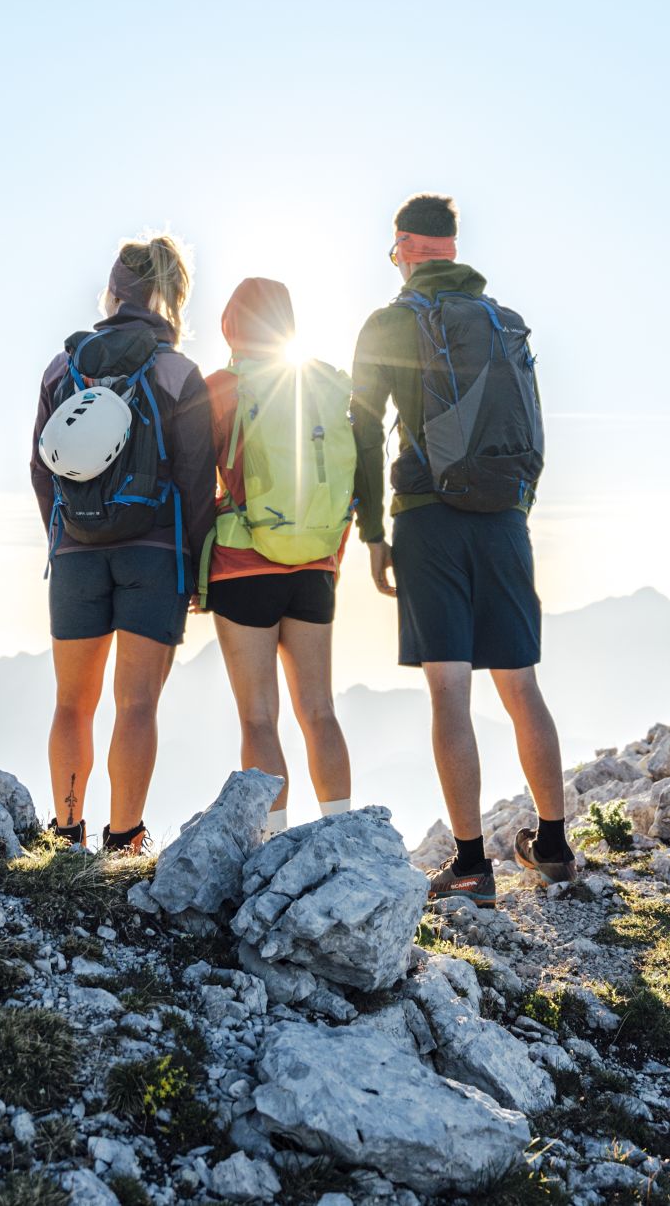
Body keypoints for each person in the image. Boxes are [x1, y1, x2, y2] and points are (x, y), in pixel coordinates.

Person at [350, 194, 570, 907]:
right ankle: (556, 844)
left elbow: (361, 427)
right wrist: (516, 511)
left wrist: (374, 532)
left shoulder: (389, 322)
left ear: (410, 249)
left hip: (427, 521)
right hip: (504, 519)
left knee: (450, 689)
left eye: (394, 251)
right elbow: (534, 427)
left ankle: (472, 866)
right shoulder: (505, 323)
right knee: (521, 685)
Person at [30, 234, 215, 856]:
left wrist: (64, 537)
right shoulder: (177, 372)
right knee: (136, 706)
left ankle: (65, 834)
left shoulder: (64, 367)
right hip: (154, 555)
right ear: (170, 297)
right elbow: (195, 480)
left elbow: (41, 466)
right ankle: (125, 838)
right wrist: (192, 569)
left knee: (70, 704)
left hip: (77, 556)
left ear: (112, 292)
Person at [203, 278, 354, 839]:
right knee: (319, 710)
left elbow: (198, 486)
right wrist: (329, 552)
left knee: (258, 716)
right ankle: (341, 833)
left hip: (244, 566)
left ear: (230, 325)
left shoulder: (221, 387)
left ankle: (271, 839)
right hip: (316, 564)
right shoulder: (323, 384)